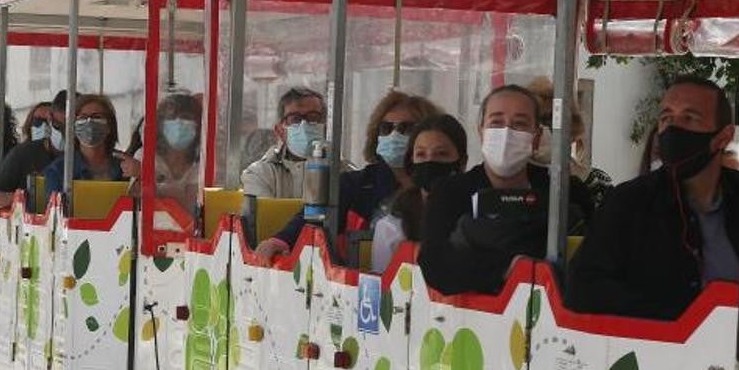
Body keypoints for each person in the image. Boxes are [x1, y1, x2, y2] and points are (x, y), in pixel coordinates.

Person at [566, 75, 739, 320]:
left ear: (724, 136)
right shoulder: (628, 204)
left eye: (690, 118)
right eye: (666, 118)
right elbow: (584, 289)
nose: (674, 128)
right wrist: (685, 319)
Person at [418, 85, 599, 295]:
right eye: (496, 122)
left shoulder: (566, 191)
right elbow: (435, 263)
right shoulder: (451, 192)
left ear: (537, 137)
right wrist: (510, 267)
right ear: (481, 131)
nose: (507, 132)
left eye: (519, 124)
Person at [254, 91, 440, 266]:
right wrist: (281, 240)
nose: (394, 135)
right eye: (386, 128)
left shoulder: (444, 187)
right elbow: (314, 217)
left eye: (406, 128)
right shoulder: (355, 184)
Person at [371, 114, 469, 271]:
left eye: (441, 154)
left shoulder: (476, 215)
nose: (430, 161)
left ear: (462, 162)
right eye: (421, 154)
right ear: (412, 161)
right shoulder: (392, 227)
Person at [240, 86, 325, 237]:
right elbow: (265, 229)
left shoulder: (344, 173)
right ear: (280, 130)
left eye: (313, 117)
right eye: (295, 119)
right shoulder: (259, 175)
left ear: (325, 127)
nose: (304, 126)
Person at [527, 76, 613, 222]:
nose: (541, 129)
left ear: (571, 125)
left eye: (550, 120)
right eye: (532, 122)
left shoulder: (599, 183)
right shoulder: (515, 181)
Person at [0, 89, 72, 211]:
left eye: (70, 128)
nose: (64, 133)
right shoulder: (24, 153)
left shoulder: (90, 156)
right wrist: (23, 199)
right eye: (59, 126)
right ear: (50, 120)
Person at [43, 94, 131, 210]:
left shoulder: (126, 167)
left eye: (97, 117)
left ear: (109, 126)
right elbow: (57, 218)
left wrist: (140, 175)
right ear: (73, 127)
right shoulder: (59, 171)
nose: (89, 122)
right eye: (82, 118)